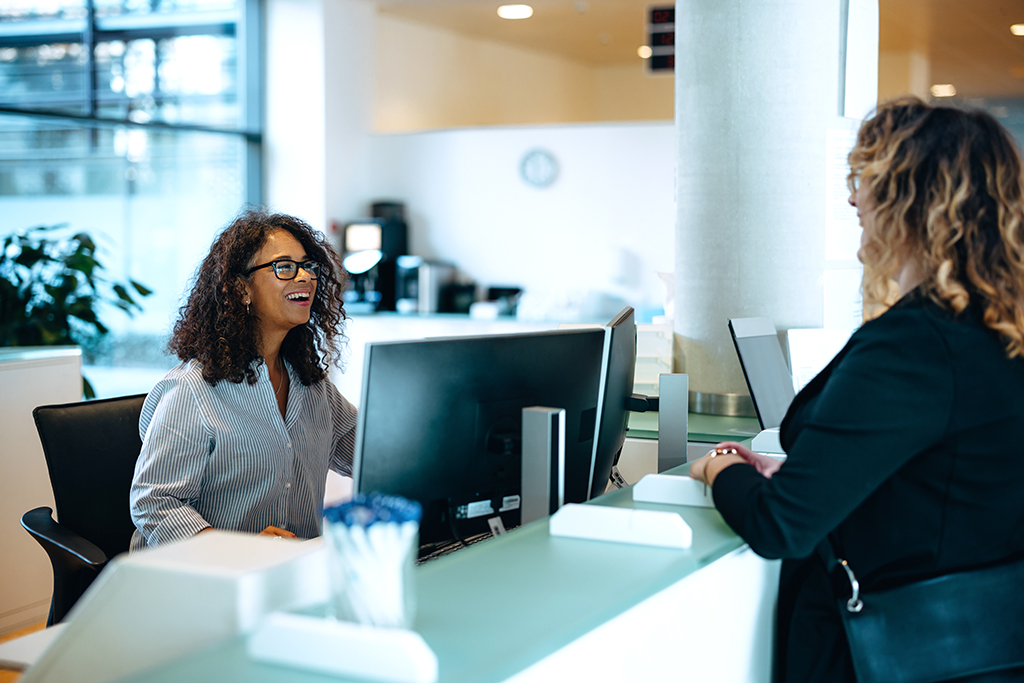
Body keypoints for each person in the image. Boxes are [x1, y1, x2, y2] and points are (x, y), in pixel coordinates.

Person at [690, 98, 1024, 682]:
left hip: (892, 649)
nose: (853, 201)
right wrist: (817, 473)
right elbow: (952, 477)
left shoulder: (917, 344)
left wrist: (719, 469)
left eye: (865, 182)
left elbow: (780, 526)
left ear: (911, 202)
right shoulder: (999, 327)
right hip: (984, 646)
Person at [129, 208, 357, 550]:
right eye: (284, 267)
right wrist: (238, 551)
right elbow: (155, 503)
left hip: (292, 575)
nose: (306, 278)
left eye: (308, 266)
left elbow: (372, 454)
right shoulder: (192, 391)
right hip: (206, 582)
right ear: (240, 288)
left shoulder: (313, 386)